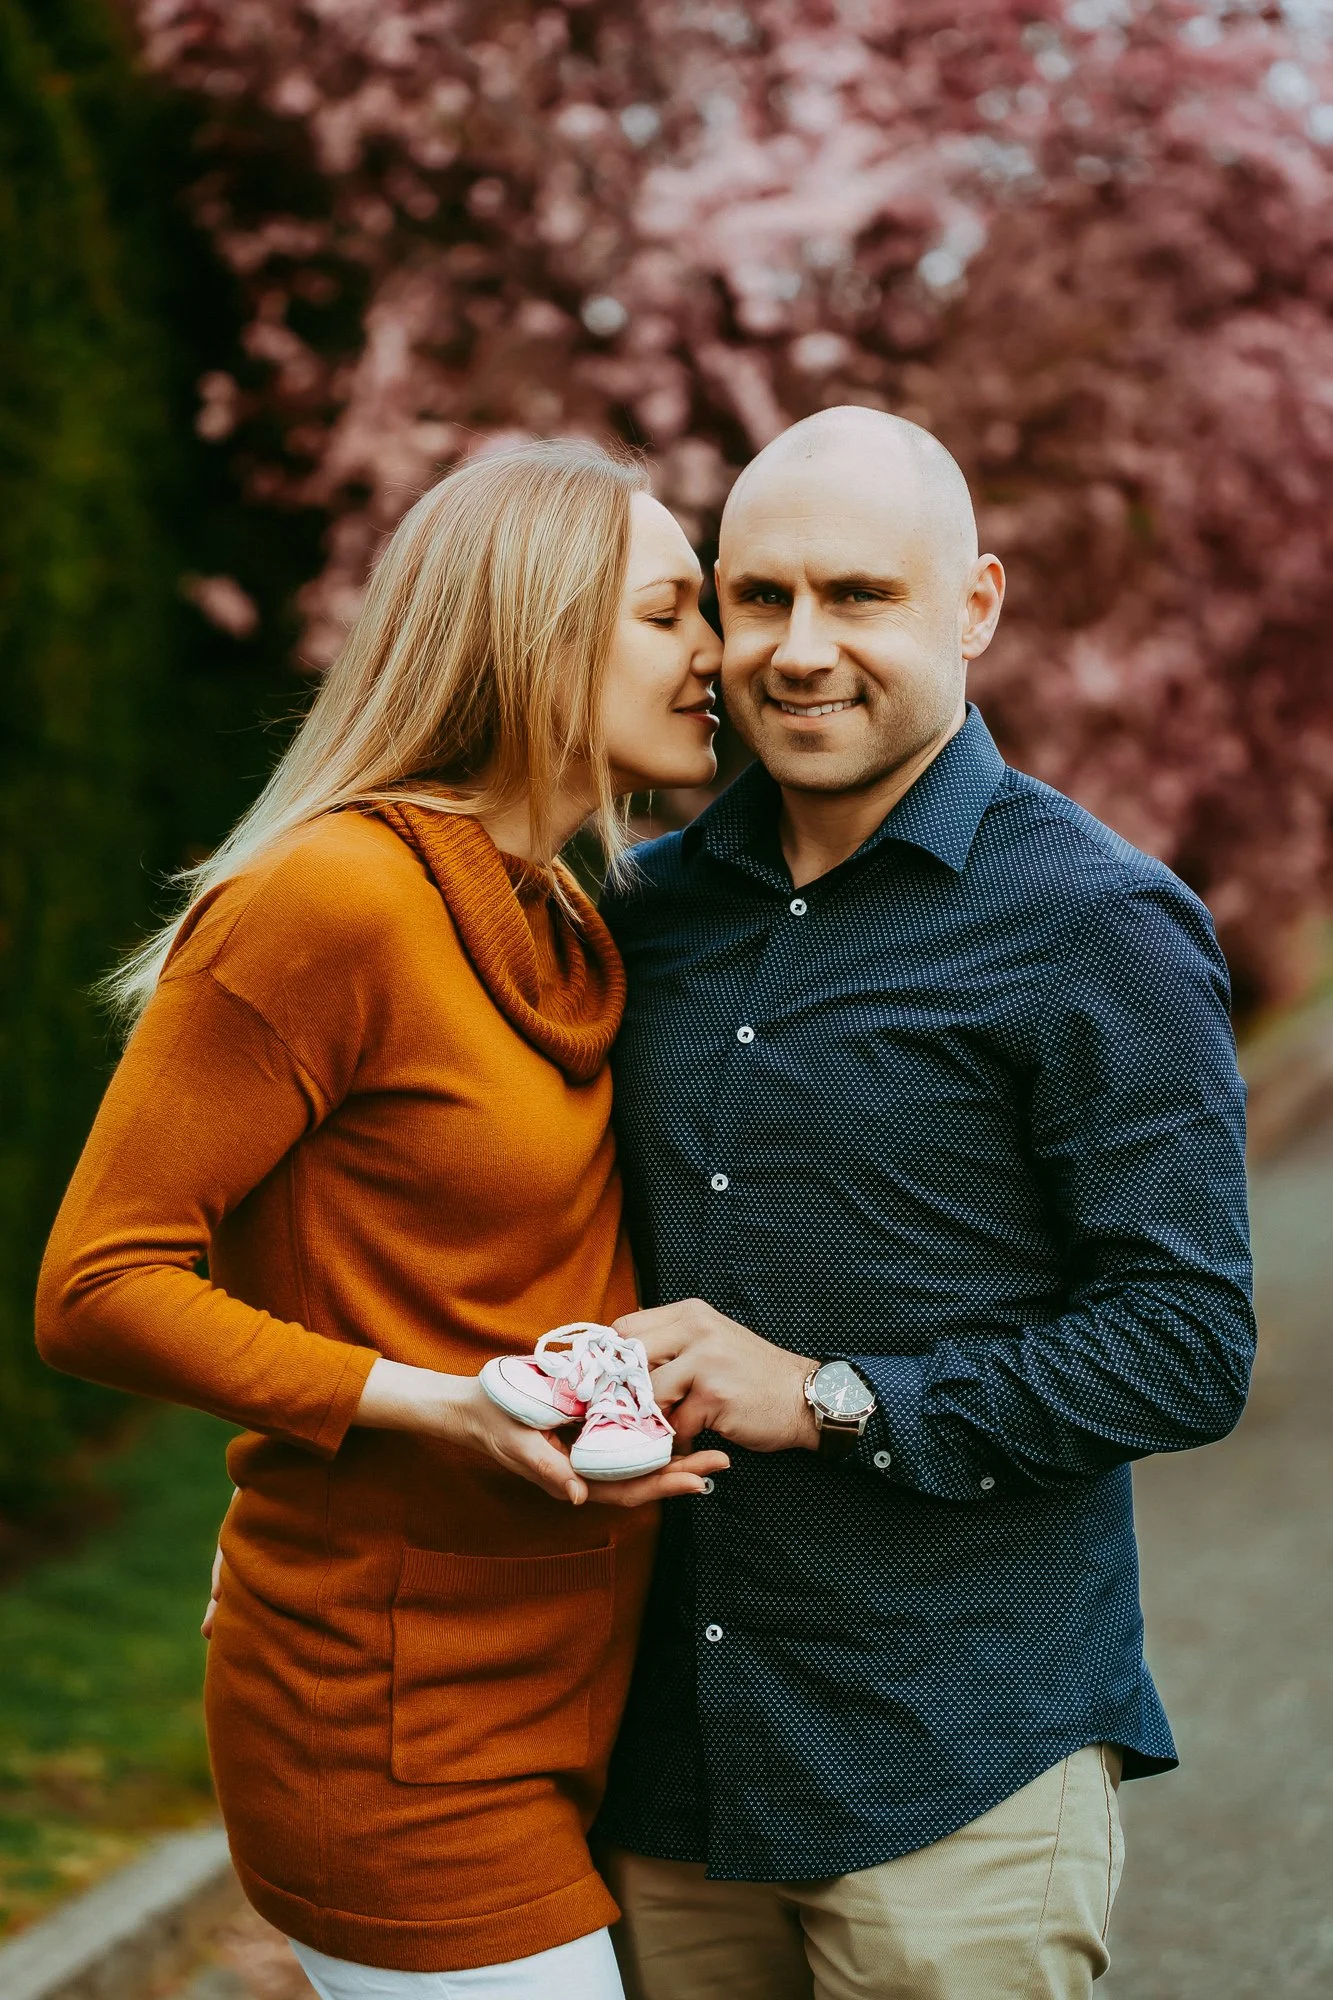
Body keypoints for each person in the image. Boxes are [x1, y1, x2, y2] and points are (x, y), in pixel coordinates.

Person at [34, 439, 729, 2000]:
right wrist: (438, 1408)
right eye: (674, 613)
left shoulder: (556, 912)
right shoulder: (329, 902)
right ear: (538, 629)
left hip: (563, 1687)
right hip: (392, 1726)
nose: (720, 655)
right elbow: (96, 1282)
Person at [595, 407, 1256, 1999]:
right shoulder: (645, 911)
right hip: (669, 1777)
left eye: (859, 597)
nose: (799, 651)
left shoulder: (1095, 923)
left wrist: (827, 1398)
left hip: (956, 1776)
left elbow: (1185, 1344)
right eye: (758, 600)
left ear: (975, 605)